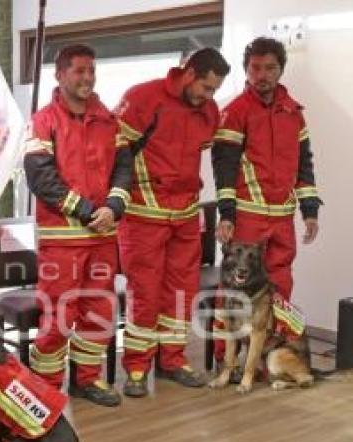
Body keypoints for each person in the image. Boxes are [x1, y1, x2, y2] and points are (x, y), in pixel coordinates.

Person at [115, 48, 231, 398]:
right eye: (206, 88)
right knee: (145, 292)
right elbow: (118, 152)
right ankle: (136, 366)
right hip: (143, 215)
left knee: (182, 291)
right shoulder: (142, 97)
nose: (209, 98)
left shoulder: (208, 112)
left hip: (185, 216)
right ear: (190, 72)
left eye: (214, 91)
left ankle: (172, 359)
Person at [24, 44, 132, 407]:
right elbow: (41, 177)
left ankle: (87, 379)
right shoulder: (44, 119)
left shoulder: (108, 119)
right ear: (60, 74)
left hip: (102, 236)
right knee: (58, 316)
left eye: (91, 70)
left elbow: (124, 167)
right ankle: (46, 386)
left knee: (99, 310)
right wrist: (89, 211)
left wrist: (114, 206)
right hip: (63, 239)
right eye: (79, 71)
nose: (87, 77)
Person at [212, 37, 321, 297]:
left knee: (280, 285)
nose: (262, 75)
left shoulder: (294, 113)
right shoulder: (235, 112)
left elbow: (304, 165)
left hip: (283, 219)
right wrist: (226, 216)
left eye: (270, 68)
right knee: (236, 291)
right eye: (255, 68)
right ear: (246, 71)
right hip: (247, 220)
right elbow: (224, 169)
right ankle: (227, 340)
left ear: (281, 69)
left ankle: (275, 338)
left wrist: (310, 211)